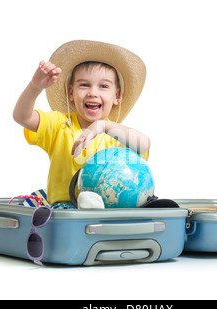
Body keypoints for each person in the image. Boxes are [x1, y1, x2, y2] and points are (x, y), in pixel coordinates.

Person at [13, 40, 150, 208]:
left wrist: (102, 126)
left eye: (103, 86)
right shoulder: (59, 124)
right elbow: (22, 117)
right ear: (71, 92)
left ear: (117, 96)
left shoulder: (115, 136)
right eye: (84, 85)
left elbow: (144, 144)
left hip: (107, 215)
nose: (93, 93)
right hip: (64, 213)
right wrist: (35, 87)